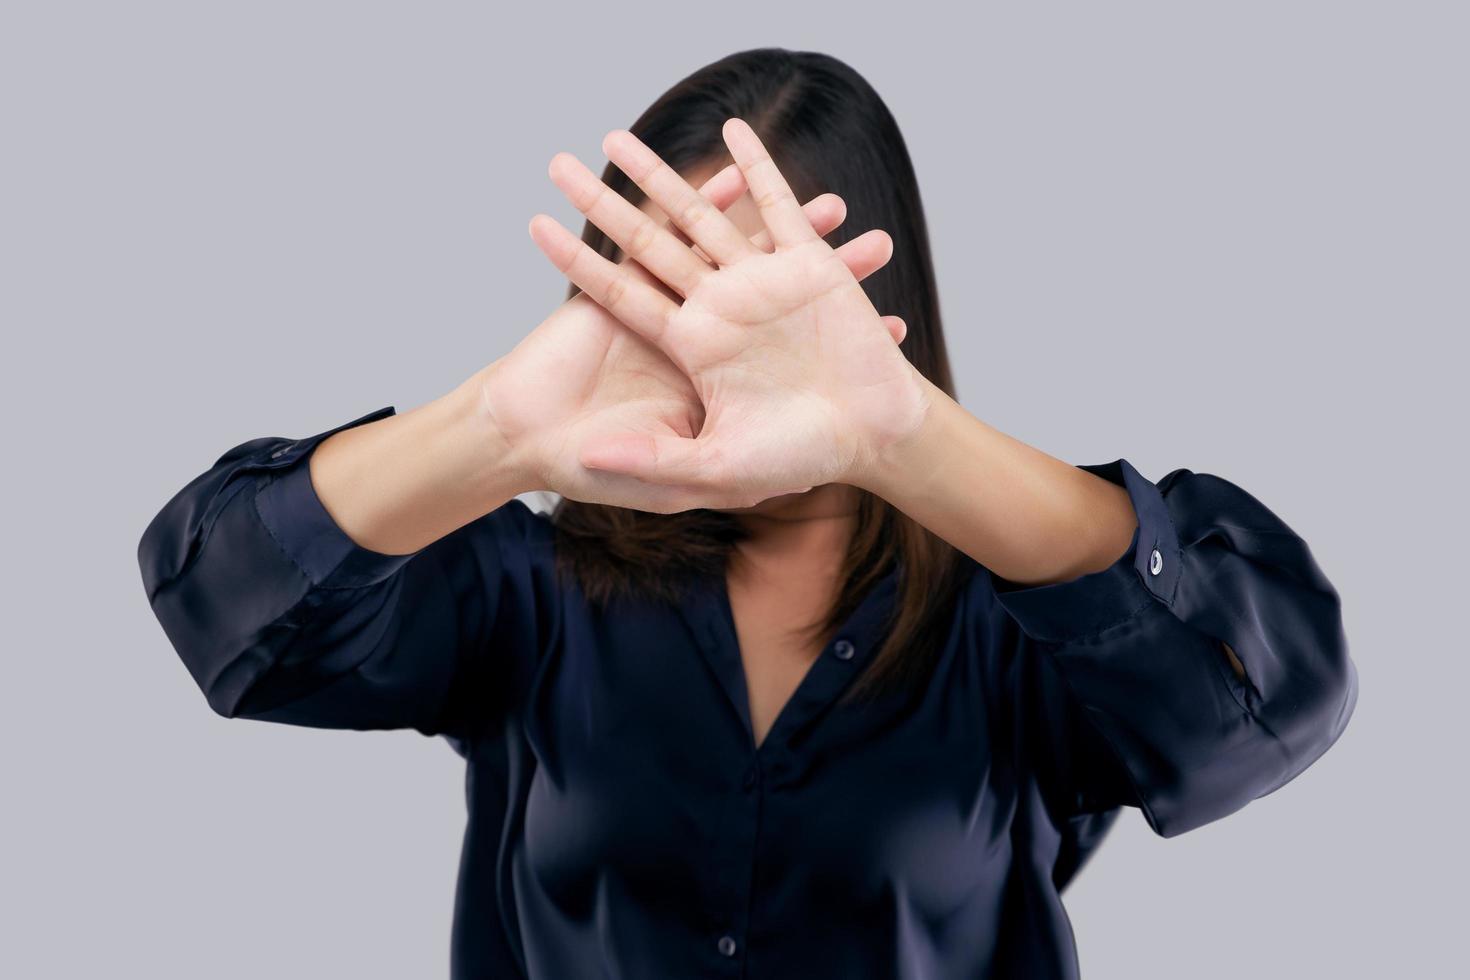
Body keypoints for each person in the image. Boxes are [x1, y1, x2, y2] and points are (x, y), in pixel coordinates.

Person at [137, 48, 1358, 980]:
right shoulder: (528, 589)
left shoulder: (1011, 610)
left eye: (754, 295)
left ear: (870, 299)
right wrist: (494, 431)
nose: (702, 344)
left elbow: (1269, 702)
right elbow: (229, 597)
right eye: (655, 288)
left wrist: (905, 436)